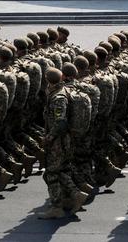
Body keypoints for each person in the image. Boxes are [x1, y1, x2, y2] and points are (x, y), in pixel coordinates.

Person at [38, 67, 87, 219]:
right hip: (63, 140)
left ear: (47, 80)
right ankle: (75, 195)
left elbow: (60, 122)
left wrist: (49, 138)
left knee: (51, 174)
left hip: (58, 142)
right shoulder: (61, 91)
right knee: (63, 170)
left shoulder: (58, 97)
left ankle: (57, 207)